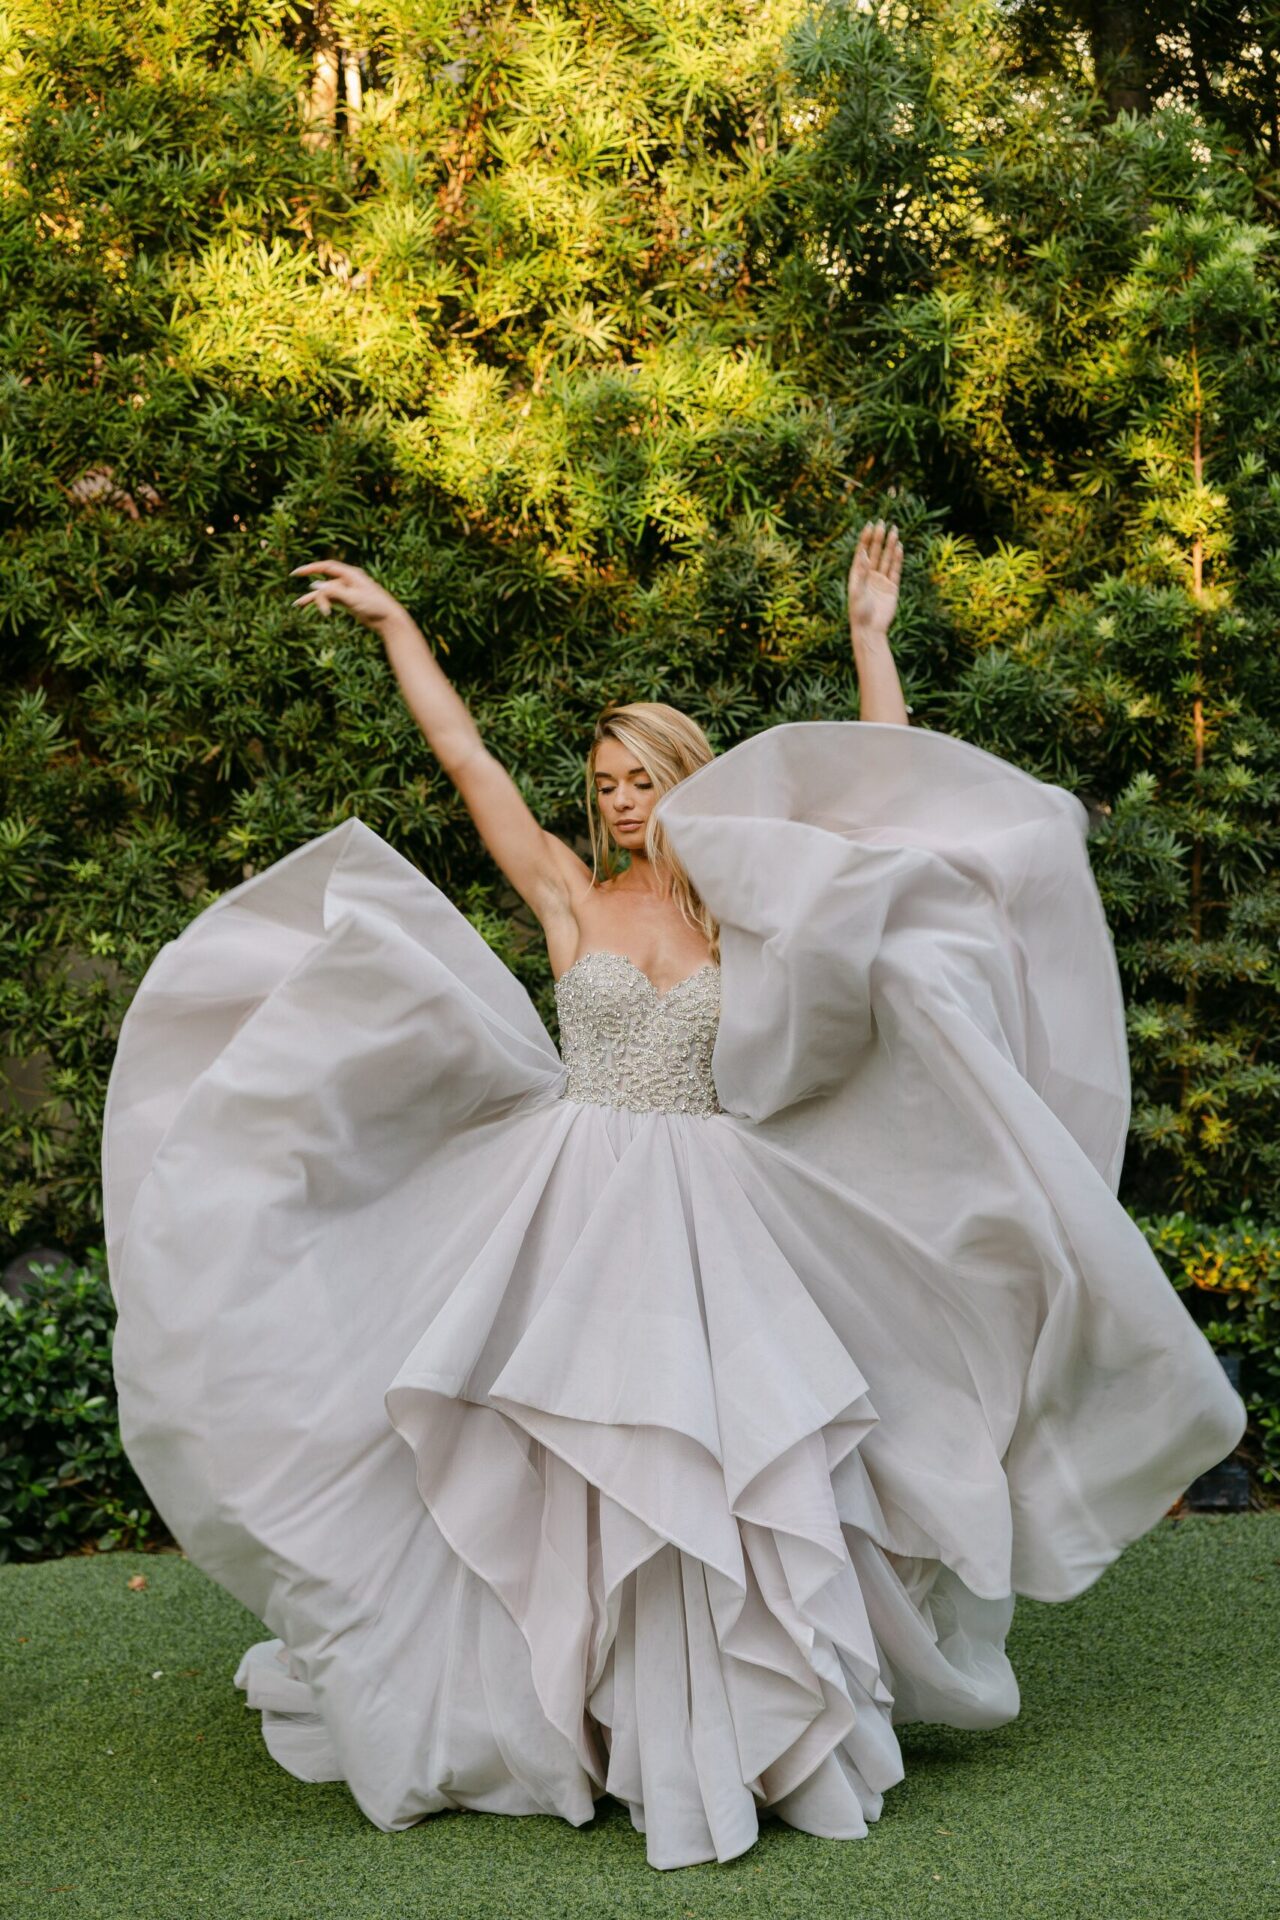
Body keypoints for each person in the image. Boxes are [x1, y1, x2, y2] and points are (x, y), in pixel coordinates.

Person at [101, 522, 1246, 1872]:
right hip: (568, 1204)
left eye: (642, 779)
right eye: (605, 783)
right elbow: (466, 761)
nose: (622, 801)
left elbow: (873, 832)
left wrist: (871, 639)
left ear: (686, 783)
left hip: (713, 1207)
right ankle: (579, 1724)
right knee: (571, 1462)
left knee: (721, 1460)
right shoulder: (570, 899)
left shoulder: (740, 923)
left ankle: (724, 1735)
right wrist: (398, 624)